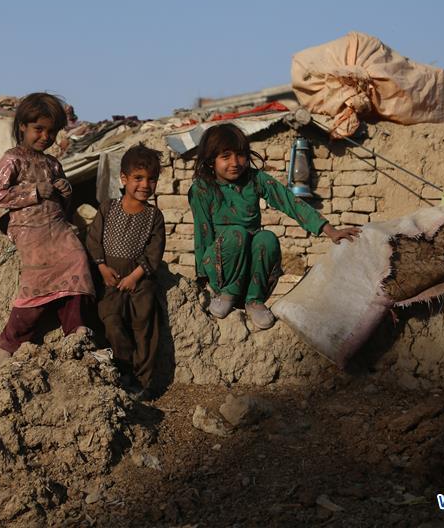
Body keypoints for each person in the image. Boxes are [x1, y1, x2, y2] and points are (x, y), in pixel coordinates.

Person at [188, 123, 360, 329]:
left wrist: (330, 230)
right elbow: (202, 232)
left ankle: (254, 301)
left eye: (240, 155)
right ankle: (228, 294)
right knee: (237, 234)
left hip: (252, 273)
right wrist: (202, 281)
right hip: (220, 273)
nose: (235, 162)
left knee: (266, 238)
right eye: (225, 156)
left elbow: (290, 201)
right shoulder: (202, 189)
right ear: (210, 161)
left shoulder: (254, 180)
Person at [0, 92, 95, 363]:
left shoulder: (53, 163)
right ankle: (9, 342)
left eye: (51, 132)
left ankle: (76, 330)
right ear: (22, 125)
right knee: (37, 279)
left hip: (57, 227)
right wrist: (34, 191)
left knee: (78, 260)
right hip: (27, 229)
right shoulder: (12, 159)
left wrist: (64, 189)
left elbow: (65, 200)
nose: (45, 137)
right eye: (39, 129)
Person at [86, 145, 166, 400]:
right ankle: (124, 372)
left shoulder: (155, 216)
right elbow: (93, 240)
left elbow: (155, 250)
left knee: (144, 326)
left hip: (140, 279)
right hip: (109, 277)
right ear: (124, 178)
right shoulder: (108, 208)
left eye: (151, 179)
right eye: (138, 178)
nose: (145, 185)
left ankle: (144, 381)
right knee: (110, 321)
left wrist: (135, 276)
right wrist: (101, 267)